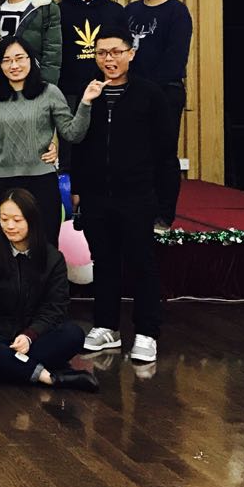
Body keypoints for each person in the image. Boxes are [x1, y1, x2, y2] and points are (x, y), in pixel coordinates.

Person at [73, 29, 177, 365]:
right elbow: (79, 145)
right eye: (102, 53)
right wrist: (78, 191)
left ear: (131, 53)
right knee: (103, 262)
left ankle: (147, 332)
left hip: (137, 195)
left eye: (116, 52)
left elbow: (166, 153)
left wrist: (166, 207)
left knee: (141, 263)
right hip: (96, 197)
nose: (109, 59)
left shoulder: (150, 94)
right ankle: (107, 327)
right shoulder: (90, 92)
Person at [0, 189, 97, 392]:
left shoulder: (52, 258)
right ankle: (48, 377)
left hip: (36, 338)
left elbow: (55, 308)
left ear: (32, 220)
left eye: (17, 220)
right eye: (4, 219)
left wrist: (30, 335)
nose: (10, 226)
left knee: (73, 334)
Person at [0, 36, 102, 246]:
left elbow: (73, 134)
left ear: (31, 59)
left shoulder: (49, 92)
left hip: (42, 182)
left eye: (20, 58)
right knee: (6, 249)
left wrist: (85, 103)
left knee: (45, 246)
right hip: (5, 184)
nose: (14, 65)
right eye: (6, 60)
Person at [126, 0, 193, 229]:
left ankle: (163, 215)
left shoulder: (177, 12)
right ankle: (137, 210)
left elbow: (175, 58)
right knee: (133, 153)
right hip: (131, 93)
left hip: (165, 93)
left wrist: (148, 92)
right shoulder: (130, 11)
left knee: (163, 154)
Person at [57, 0, 125, 168]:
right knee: (68, 153)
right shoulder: (56, 10)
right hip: (67, 92)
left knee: (105, 150)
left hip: (107, 89)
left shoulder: (116, 11)